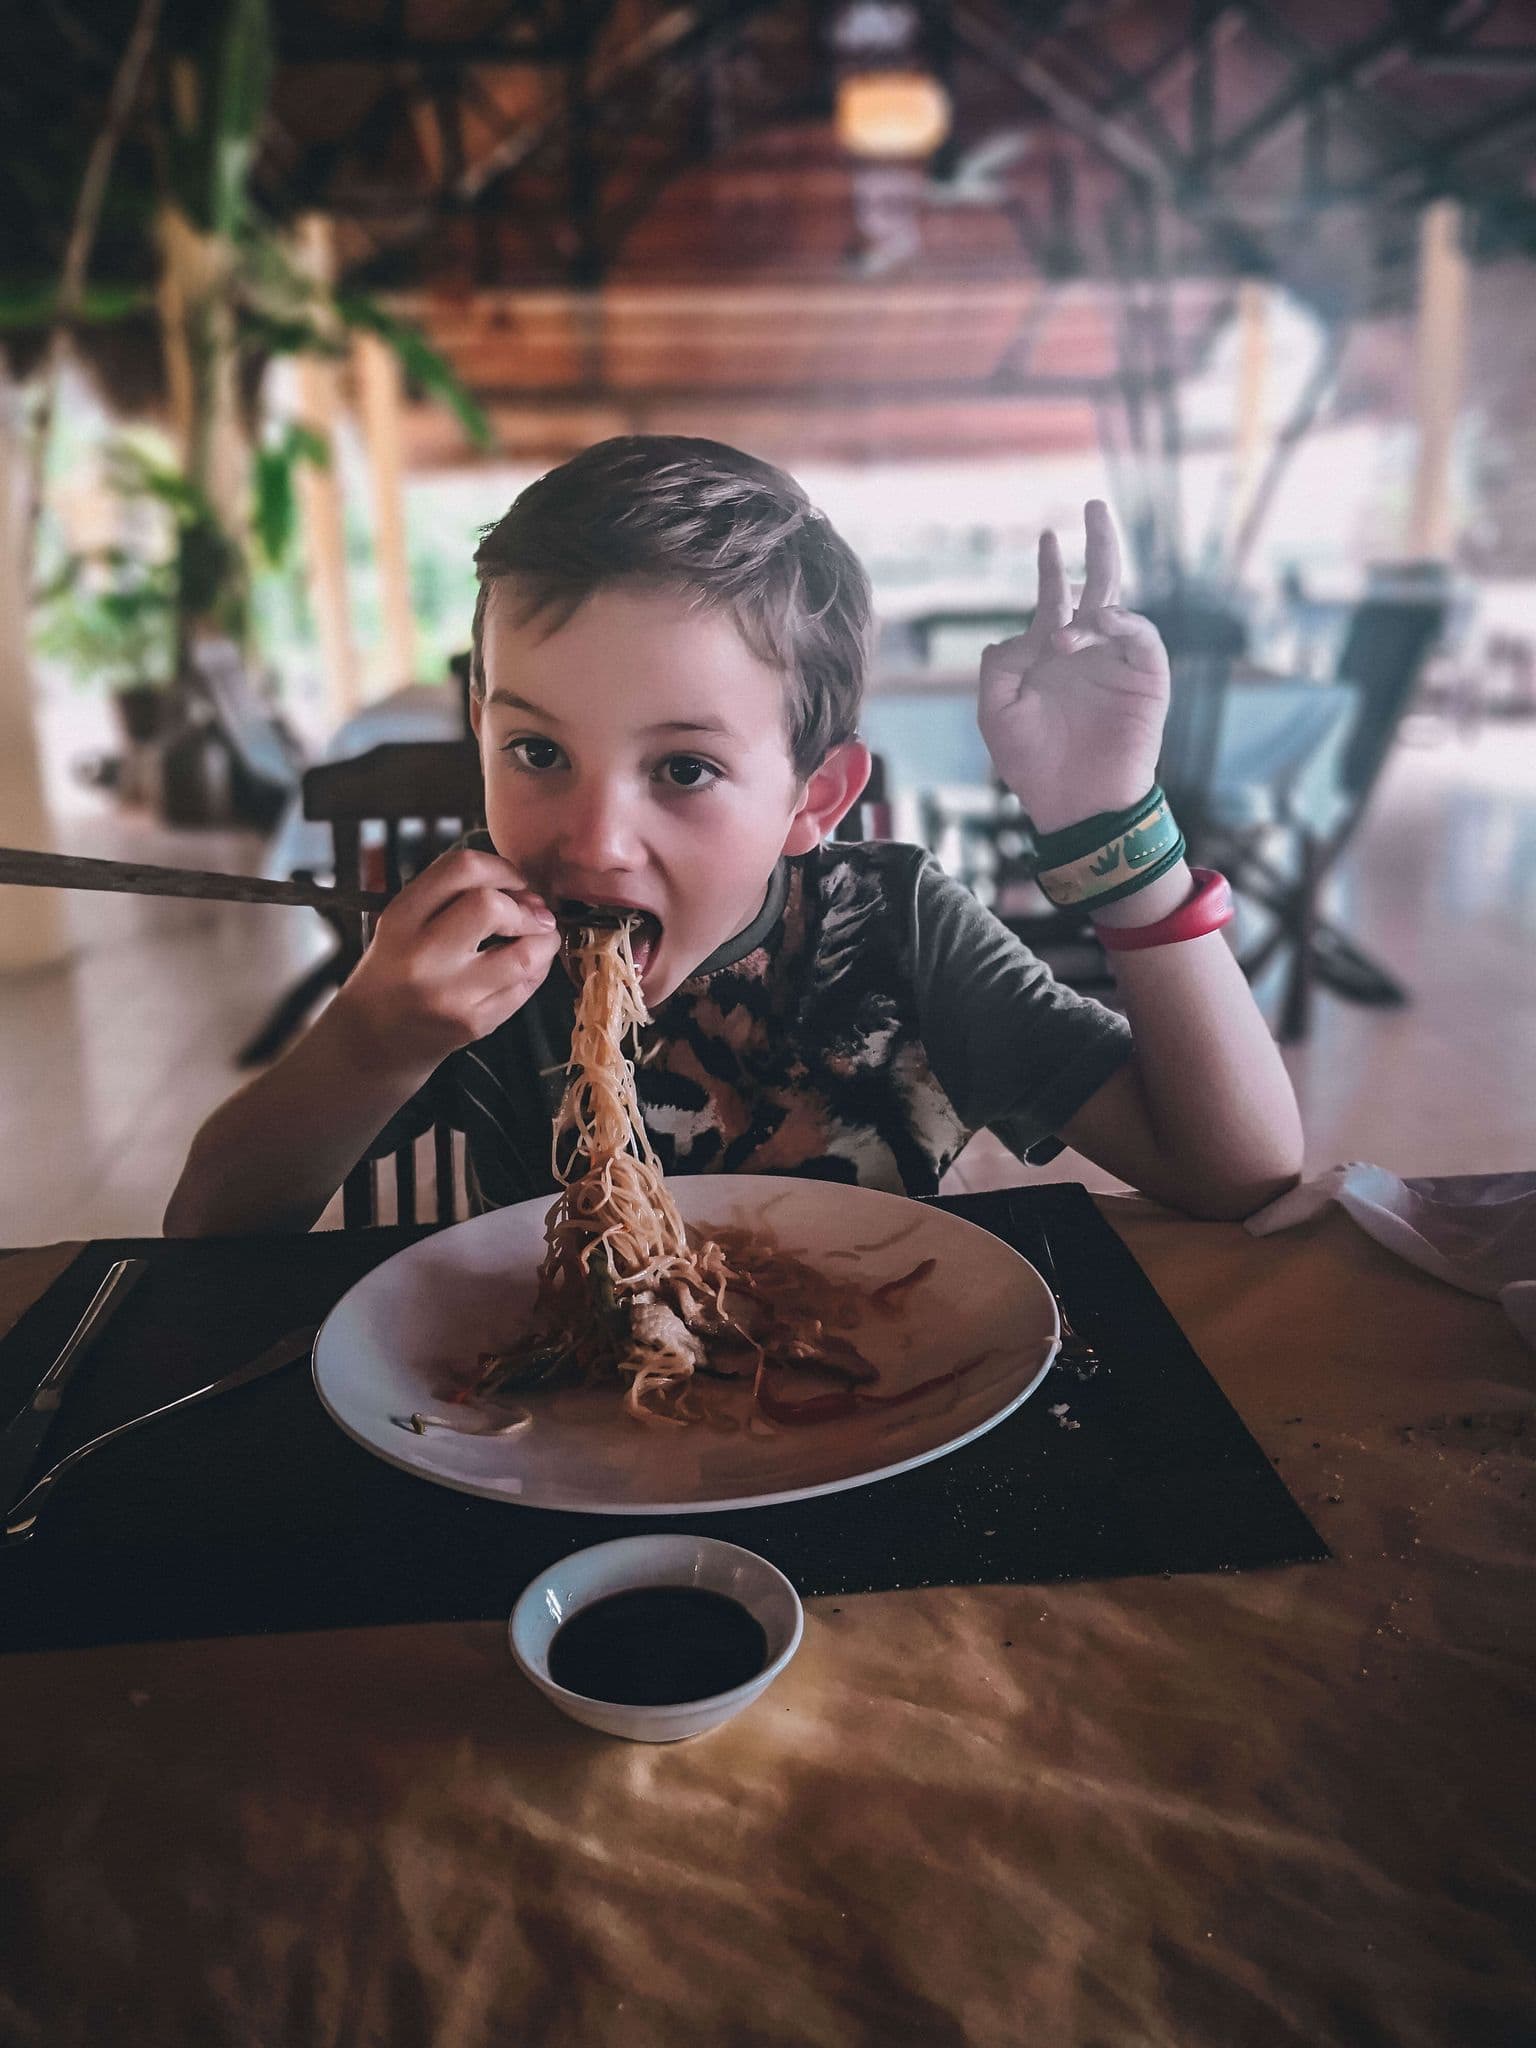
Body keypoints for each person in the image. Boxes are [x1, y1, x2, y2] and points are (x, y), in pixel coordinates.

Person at [164, 436, 1301, 1237]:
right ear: (479, 728)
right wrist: (370, 1038)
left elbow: (1236, 1172)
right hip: (559, 1440)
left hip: (867, 1408)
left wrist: (1115, 830)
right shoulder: (469, 955)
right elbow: (207, 1233)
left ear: (816, 797)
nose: (597, 840)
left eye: (686, 769)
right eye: (538, 751)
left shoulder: (898, 928)